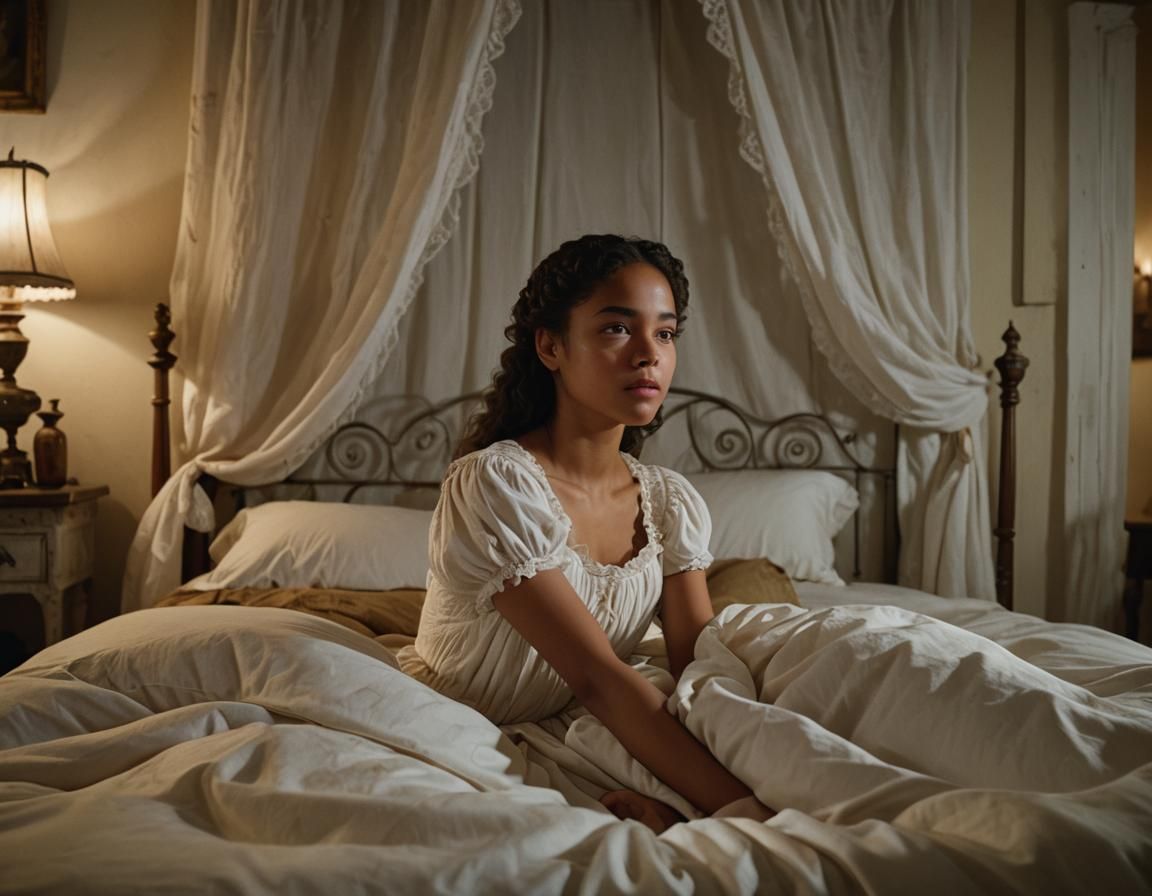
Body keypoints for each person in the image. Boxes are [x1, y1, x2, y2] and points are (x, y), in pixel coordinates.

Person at [400, 234, 773, 833]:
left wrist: (758, 772)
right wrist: (743, 808)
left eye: (667, 332)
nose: (649, 354)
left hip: (587, 721)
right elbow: (597, 676)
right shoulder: (497, 484)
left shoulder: (669, 502)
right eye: (617, 329)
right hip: (460, 726)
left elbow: (695, 670)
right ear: (550, 345)